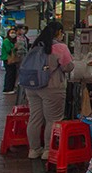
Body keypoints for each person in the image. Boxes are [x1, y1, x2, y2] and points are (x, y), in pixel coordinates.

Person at [26, 21, 75, 160]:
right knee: (52, 119)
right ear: (58, 32)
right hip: (52, 87)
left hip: (32, 86)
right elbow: (68, 67)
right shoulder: (60, 47)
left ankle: (34, 150)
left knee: (35, 118)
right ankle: (48, 150)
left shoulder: (36, 45)